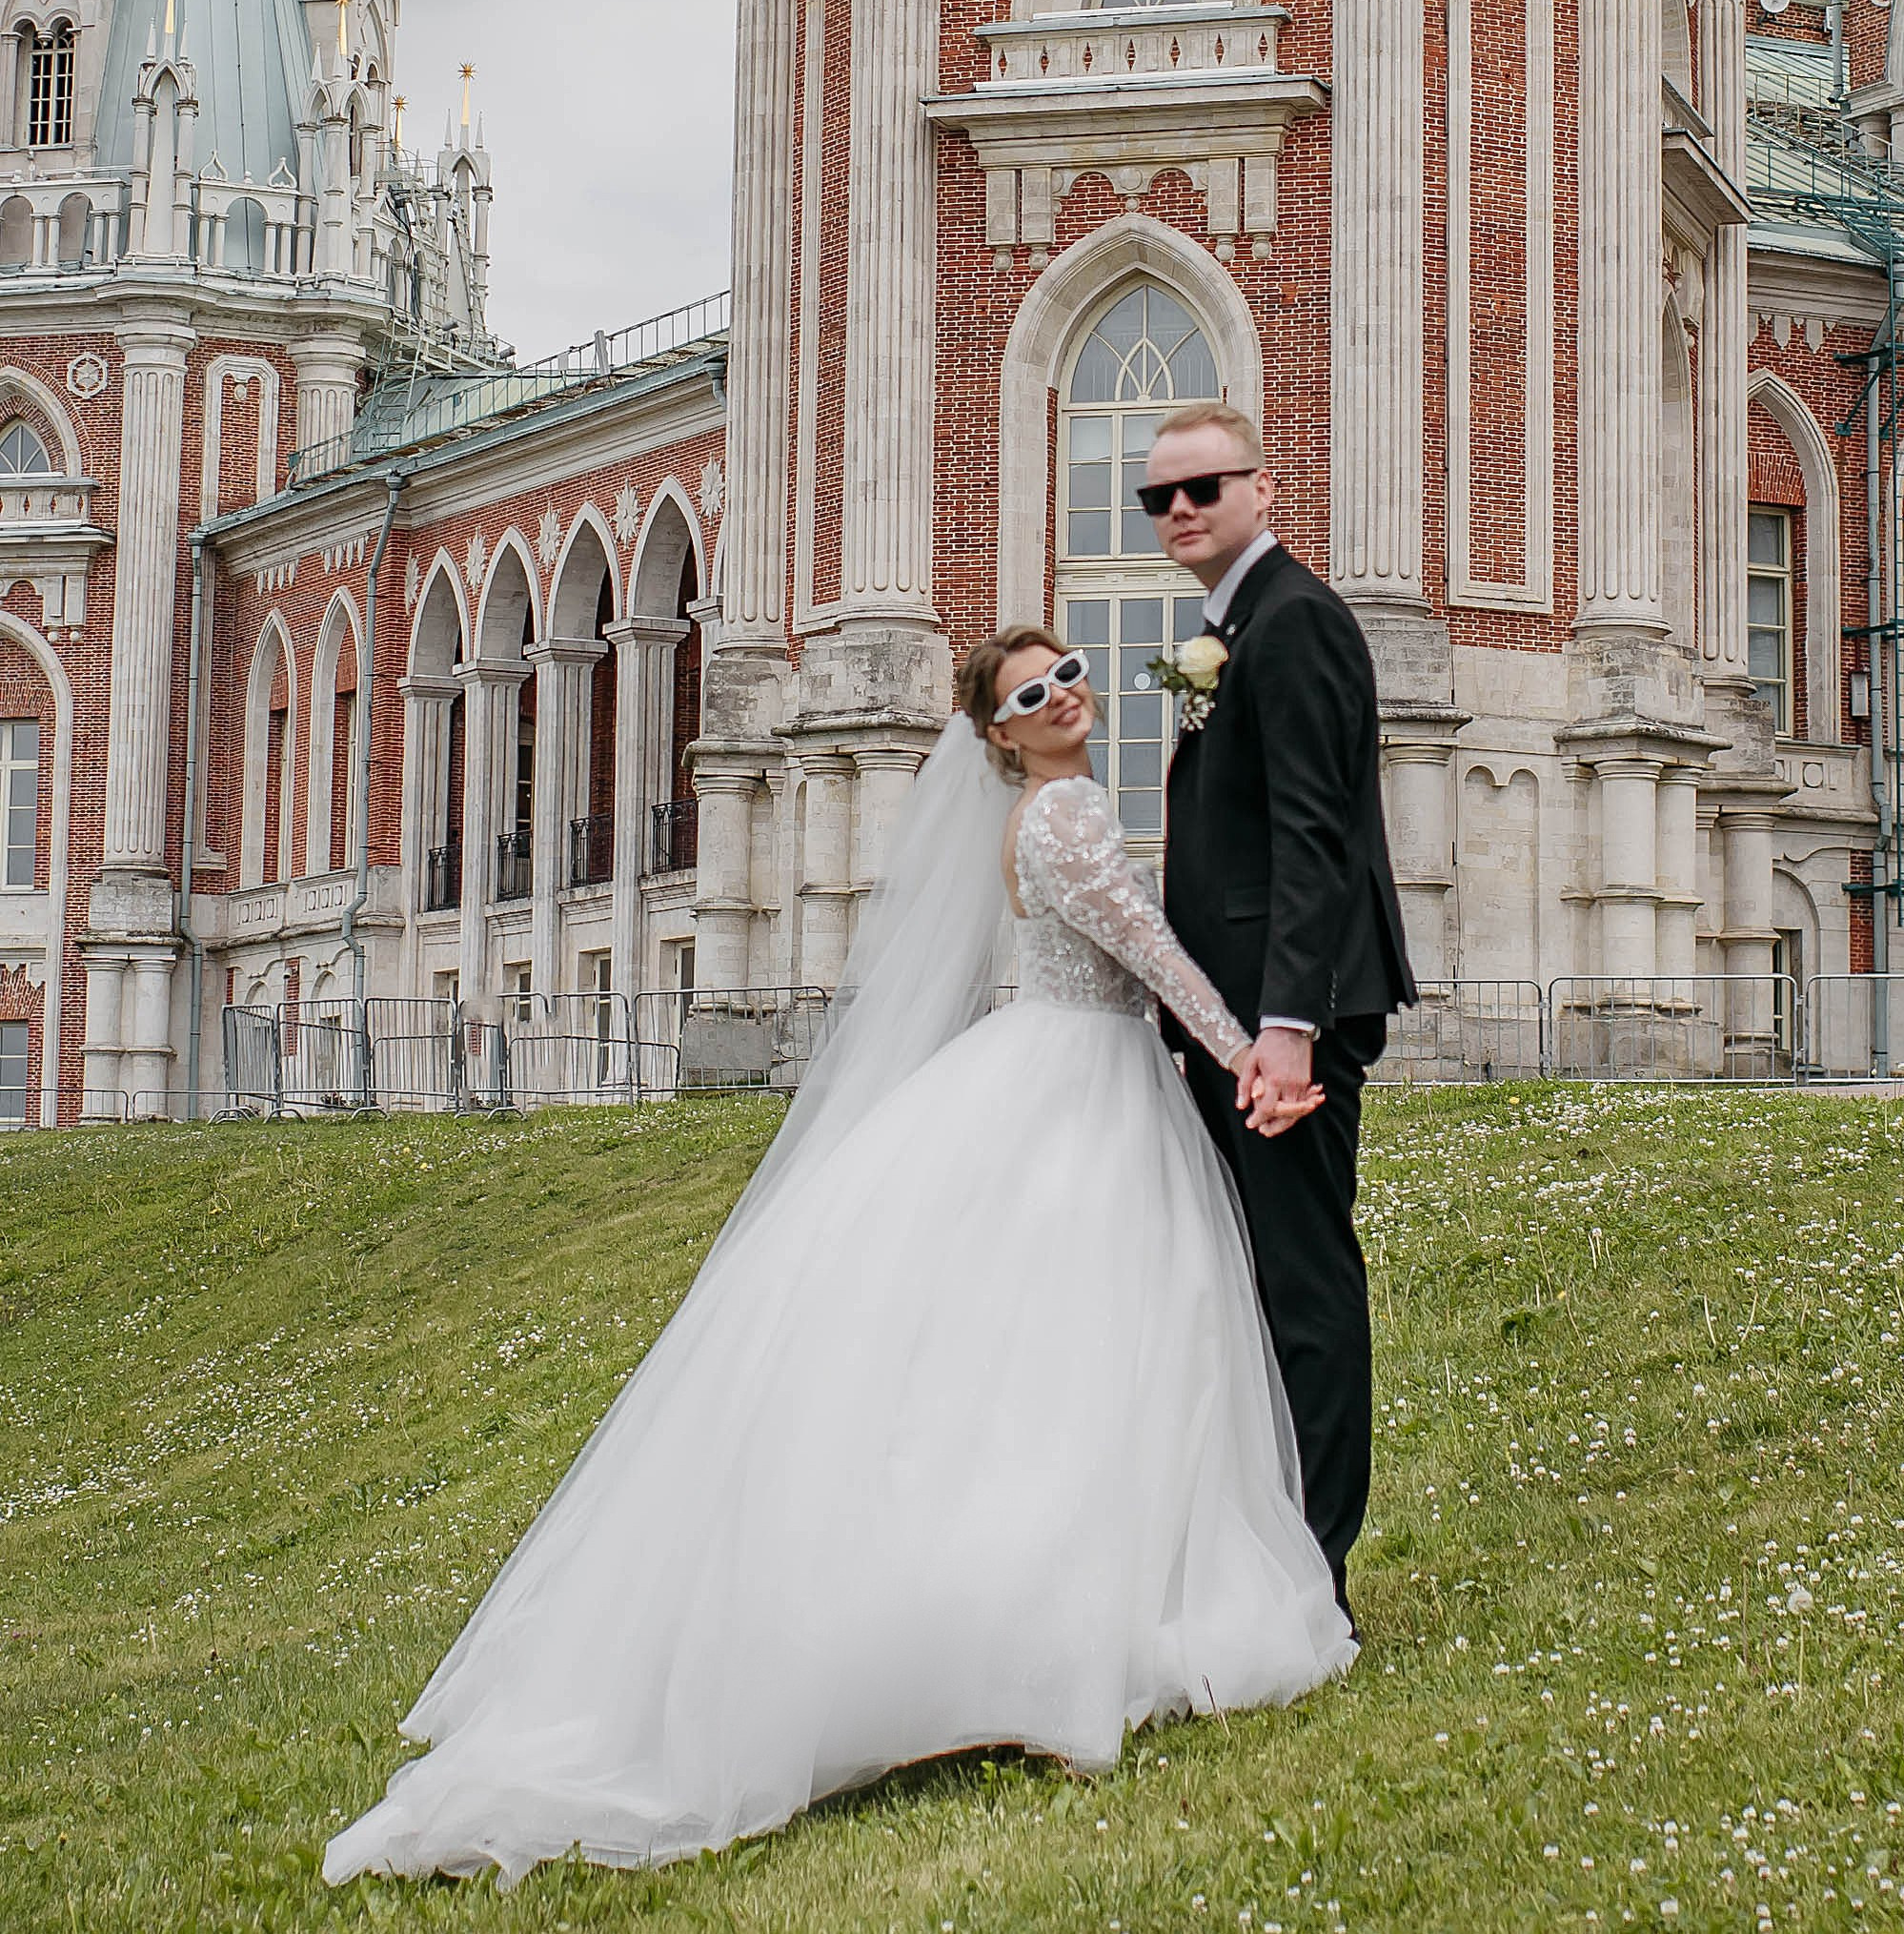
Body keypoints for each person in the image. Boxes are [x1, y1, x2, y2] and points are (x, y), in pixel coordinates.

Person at [323, 630, 1350, 1889]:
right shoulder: (1067, 811)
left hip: (1060, 1067)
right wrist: (1251, 1047)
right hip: (1083, 1085)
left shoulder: (1034, 811)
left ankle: (1040, 1624)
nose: (1064, 691)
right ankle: (1051, 1633)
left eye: (1070, 667)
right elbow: (1147, 946)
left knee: (1041, 1357)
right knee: (1101, 1348)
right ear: (999, 734)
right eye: (1031, 691)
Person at [1142, 400, 1414, 1623]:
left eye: (1202, 485)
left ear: (1262, 489)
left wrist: (1286, 1025)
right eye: (1158, 495)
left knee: (1301, 1281)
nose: (1180, 509)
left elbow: (1314, 833)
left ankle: (1317, 1574)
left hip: (1278, 1026)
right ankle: (1271, 1549)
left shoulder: (1294, 619)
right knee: (1255, 1278)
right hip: (1236, 1022)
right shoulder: (1229, 626)